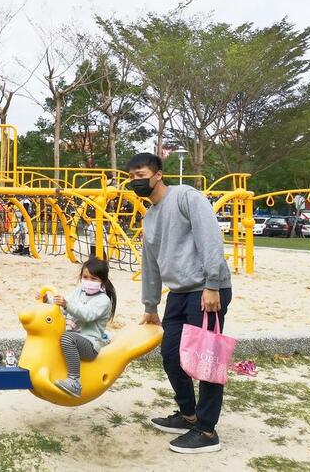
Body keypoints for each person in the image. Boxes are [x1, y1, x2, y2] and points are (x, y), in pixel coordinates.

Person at [129, 152, 232, 454]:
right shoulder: (150, 216)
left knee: (205, 361)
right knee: (172, 356)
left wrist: (212, 284)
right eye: (132, 177)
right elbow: (150, 263)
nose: (137, 180)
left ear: (158, 174)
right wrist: (150, 305)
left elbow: (210, 237)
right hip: (178, 293)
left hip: (206, 290)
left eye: (142, 174)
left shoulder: (186, 197)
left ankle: (206, 430)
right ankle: (188, 414)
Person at [41, 257, 117, 398]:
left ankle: (75, 381)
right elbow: (63, 309)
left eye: (93, 279)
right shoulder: (78, 292)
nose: (88, 281)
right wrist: (48, 301)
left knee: (67, 338)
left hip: (89, 345)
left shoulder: (103, 301)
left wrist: (66, 304)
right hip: (74, 339)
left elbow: (87, 315)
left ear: (102, 281)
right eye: (85, 277)